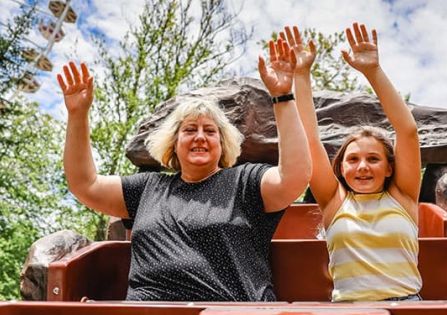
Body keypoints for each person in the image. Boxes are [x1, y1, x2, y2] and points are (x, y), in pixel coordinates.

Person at [56, 38, 311, 301]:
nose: (200, 137)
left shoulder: (244, 182)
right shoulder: (147, 188)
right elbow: (84, 184)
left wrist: (282, 97)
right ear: (173, 144)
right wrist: (78, 114)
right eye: (189, 130)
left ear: (222, 145)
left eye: (210, 131)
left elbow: (294, 177)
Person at [281, 23, 422, 301]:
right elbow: (309, 140)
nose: (362, 167)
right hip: (350, 308)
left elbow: (408, 131)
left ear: (389, 167)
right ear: (342, 168)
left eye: (373, 159)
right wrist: (301, 75)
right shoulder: (334, 201)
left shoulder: (403, 196)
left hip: (406, 305)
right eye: (353, 159)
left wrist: (373, 71)